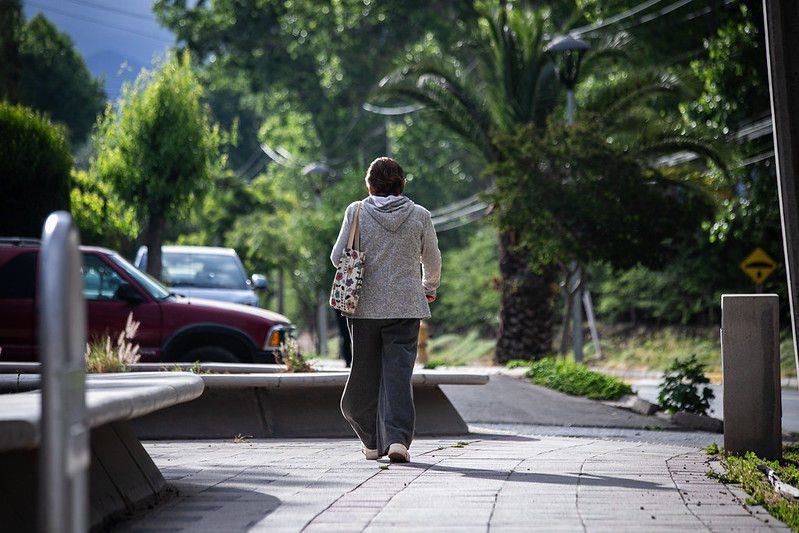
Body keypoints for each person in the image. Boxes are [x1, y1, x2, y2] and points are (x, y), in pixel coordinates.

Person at [330, 157, 441, 463]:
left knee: (363, 376)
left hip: (363, 308)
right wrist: (428, 288)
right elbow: (432, 261)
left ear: (369, 185)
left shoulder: (356, 211)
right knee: (398, 376)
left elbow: (338, 256)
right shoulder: (420, 215)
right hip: (406, 308)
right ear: (402, 184)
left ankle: (370, 439)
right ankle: (397, 441)